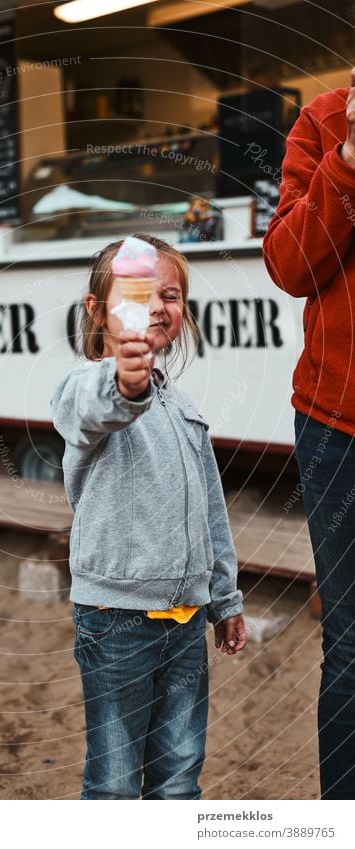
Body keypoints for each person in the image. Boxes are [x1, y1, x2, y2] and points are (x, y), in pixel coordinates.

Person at [51, 233, 246, 800]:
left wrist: (225, 597)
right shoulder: (85, 387)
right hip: (117, 621)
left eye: (171, 294)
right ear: (96, 310)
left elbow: (211, 508)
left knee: (180, 774)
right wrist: (124, 381)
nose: (158, 305)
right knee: (113, 783)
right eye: (138, 293)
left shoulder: (183, 405)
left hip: (187, 621)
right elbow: (97, 405)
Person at [263, 71, 355, 800]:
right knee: (352, 646)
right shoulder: (320, 122)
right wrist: (346, 161)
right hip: (336, 427)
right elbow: (289, 265)